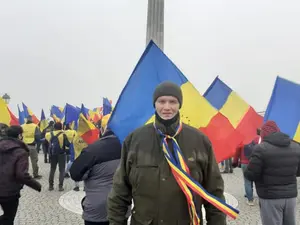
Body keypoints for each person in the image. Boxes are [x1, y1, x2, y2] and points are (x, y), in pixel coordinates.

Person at [107, 81, 228, 225]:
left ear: (180, 105)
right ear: (154, 104)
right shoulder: (134, 140)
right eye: (161, 101)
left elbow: (214, 193)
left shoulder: (199, 141)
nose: (167, 107)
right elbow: (120, 192)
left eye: (173, 102)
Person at [245, 120, 300, 225]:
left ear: (264, 134)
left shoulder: (260, 149)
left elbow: (251, 174)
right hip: (290, 197)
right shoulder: (296, 147)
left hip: (270, 197)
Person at [70, 128, 121, 225]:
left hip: (97, 210)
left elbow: (75, 174)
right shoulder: (129, 148)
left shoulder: (92, 150)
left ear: (103, 132)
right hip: (121, 207)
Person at [0, 125, 41, 225]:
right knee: (8, 218)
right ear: (19, 136)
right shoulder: (20, 152)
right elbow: (21, 175)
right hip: (9, 192)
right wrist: (36, 185)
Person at [45, 122, 70, 191]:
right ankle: (60, 186)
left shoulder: (49, 134)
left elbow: (47, 142)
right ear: (61, 127)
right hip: (61, 154)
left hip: (52, 154)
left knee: (52, 169)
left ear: (54, 127)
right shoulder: (63, 134)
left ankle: (50, 186)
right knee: (61, 170)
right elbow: (67, 144)